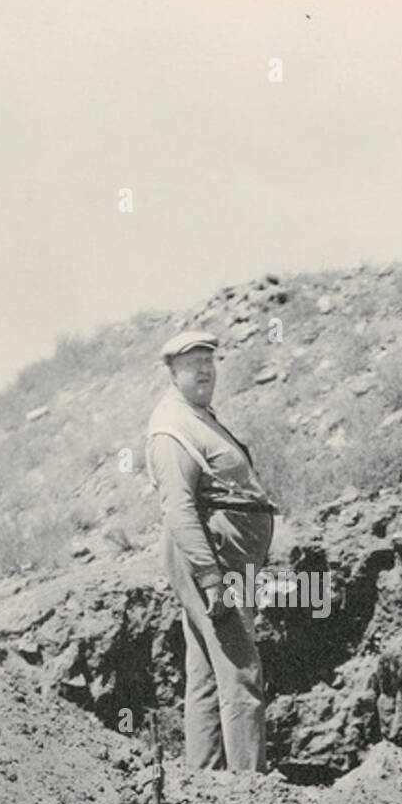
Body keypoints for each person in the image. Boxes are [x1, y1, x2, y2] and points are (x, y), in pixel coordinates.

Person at [146, 331, 278, 772]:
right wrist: (211, 578)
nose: (204, 370)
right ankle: (250, 792)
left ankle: (204, 786)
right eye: (192, 364)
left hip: (223, 555)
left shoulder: (196, 415)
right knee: (241, 672)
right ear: (171, 372)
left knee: (205, 672)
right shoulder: (171, 429)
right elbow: (179, 509)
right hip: (212, 559)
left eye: (209, 361)